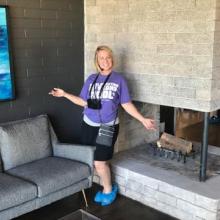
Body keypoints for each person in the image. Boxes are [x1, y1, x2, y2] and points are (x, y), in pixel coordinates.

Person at [49, 45, 156, 206]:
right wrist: (64, 94)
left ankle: (108, 189)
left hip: (108, 127)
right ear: (97, 61)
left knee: (100, 162)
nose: (105, 61)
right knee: (92, 159)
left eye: (108, 57)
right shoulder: (91, 79)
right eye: (101, 58)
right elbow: (83, 102)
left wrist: (142, 119)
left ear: (112, 59)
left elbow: (126, 104)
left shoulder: (119, 79)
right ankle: (106, 185)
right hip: (88, 124)